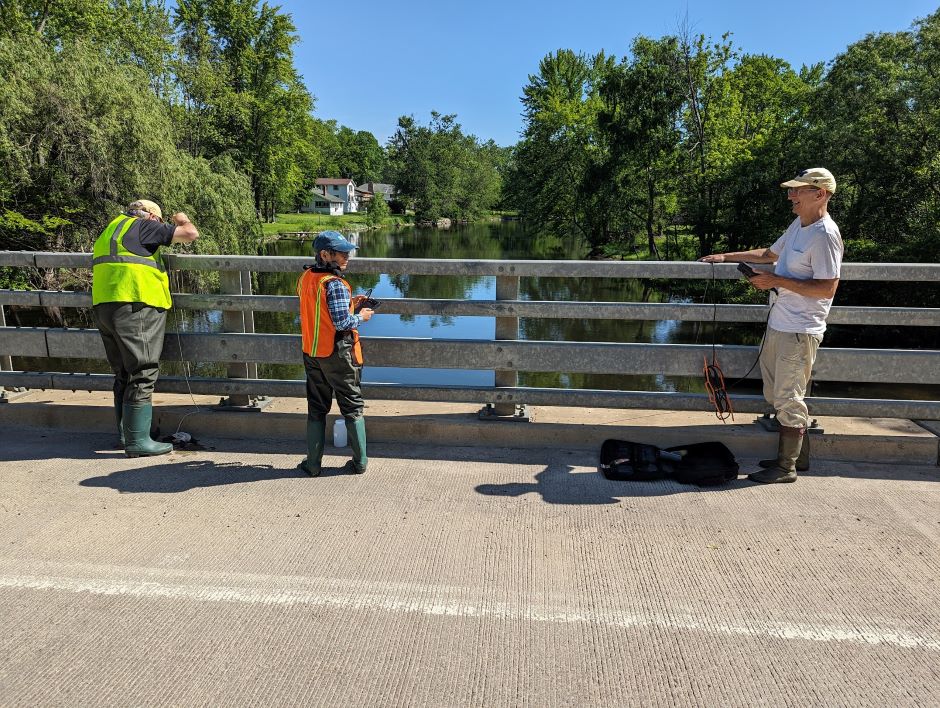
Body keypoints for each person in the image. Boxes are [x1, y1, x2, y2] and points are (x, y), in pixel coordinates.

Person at [700, 168, 843, 484]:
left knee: (788, 395)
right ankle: (796, 458)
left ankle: (786, 467)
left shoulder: (825, 235)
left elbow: (827, 288)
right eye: (791, 190)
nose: (791, 196)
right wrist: (724, 257)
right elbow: (769, 254)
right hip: (780, 324)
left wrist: (776, 280)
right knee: (776, 393)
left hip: (800, 329)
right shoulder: (799, 225)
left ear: (819, 194)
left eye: (798, 191)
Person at [92, 199, 199, 457]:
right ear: (151, 216)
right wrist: (180, 219)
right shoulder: (144, 226)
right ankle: (138, 442)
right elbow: (190, 234)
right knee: (142, 370)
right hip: (136, 305)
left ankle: (126, 435)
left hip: (105, 305)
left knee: (123, 372)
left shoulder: (110, 230)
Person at [296, 231, 374, 476]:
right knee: (352, 406)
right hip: (338, 353)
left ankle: (313, 465)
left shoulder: (306, 278)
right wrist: (361, 315)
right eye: (342, 253)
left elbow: (320, 309)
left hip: (312, 351)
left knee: (317, 408)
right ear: (325, 254)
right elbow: (342, 323)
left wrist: (350, 301)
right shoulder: (335, 284)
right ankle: (360, 462)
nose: (347, 257)